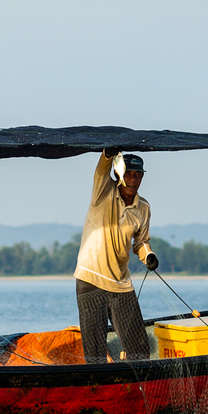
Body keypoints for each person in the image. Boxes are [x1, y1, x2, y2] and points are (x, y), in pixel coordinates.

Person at [74, 151, 158, 362]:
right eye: (128, 173)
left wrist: (148, 256)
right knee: (95, 354)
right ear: (119, 173)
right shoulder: (103, 191)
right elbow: (102, 169)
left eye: (138, 175)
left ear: (143, 177)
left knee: (139, 350)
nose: (133, 179)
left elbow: (141, 242)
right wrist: (108, 154)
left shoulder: (144, 208)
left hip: (120, 283)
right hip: (90, 278)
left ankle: (133, 389)